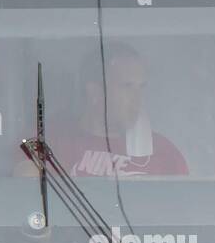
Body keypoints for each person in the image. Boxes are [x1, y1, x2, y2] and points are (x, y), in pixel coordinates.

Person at [49, 43, 188, 178]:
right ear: (95, 92)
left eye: (141, 88)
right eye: (127, 87)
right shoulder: (53, 142)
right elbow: (31, 190)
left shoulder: (164, 155)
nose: (138, 99)